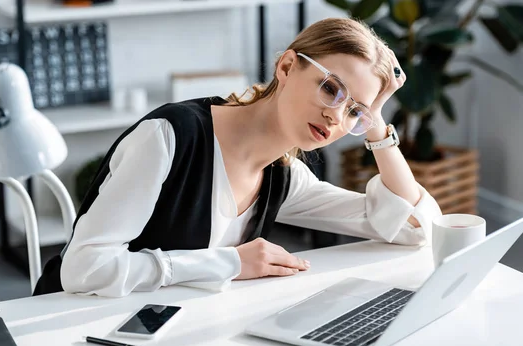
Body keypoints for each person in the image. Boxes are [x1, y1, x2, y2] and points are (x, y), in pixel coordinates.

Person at [34, 17, 442, 297]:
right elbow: (82, 269)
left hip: (163, 334)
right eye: (330, 88)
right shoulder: (169, 138)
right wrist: (229, 263)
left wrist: (376, 125)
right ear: (286, 66)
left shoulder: (283, 175)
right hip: (71, 330)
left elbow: (415, 228)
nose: (336, 116)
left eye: (353, 111)